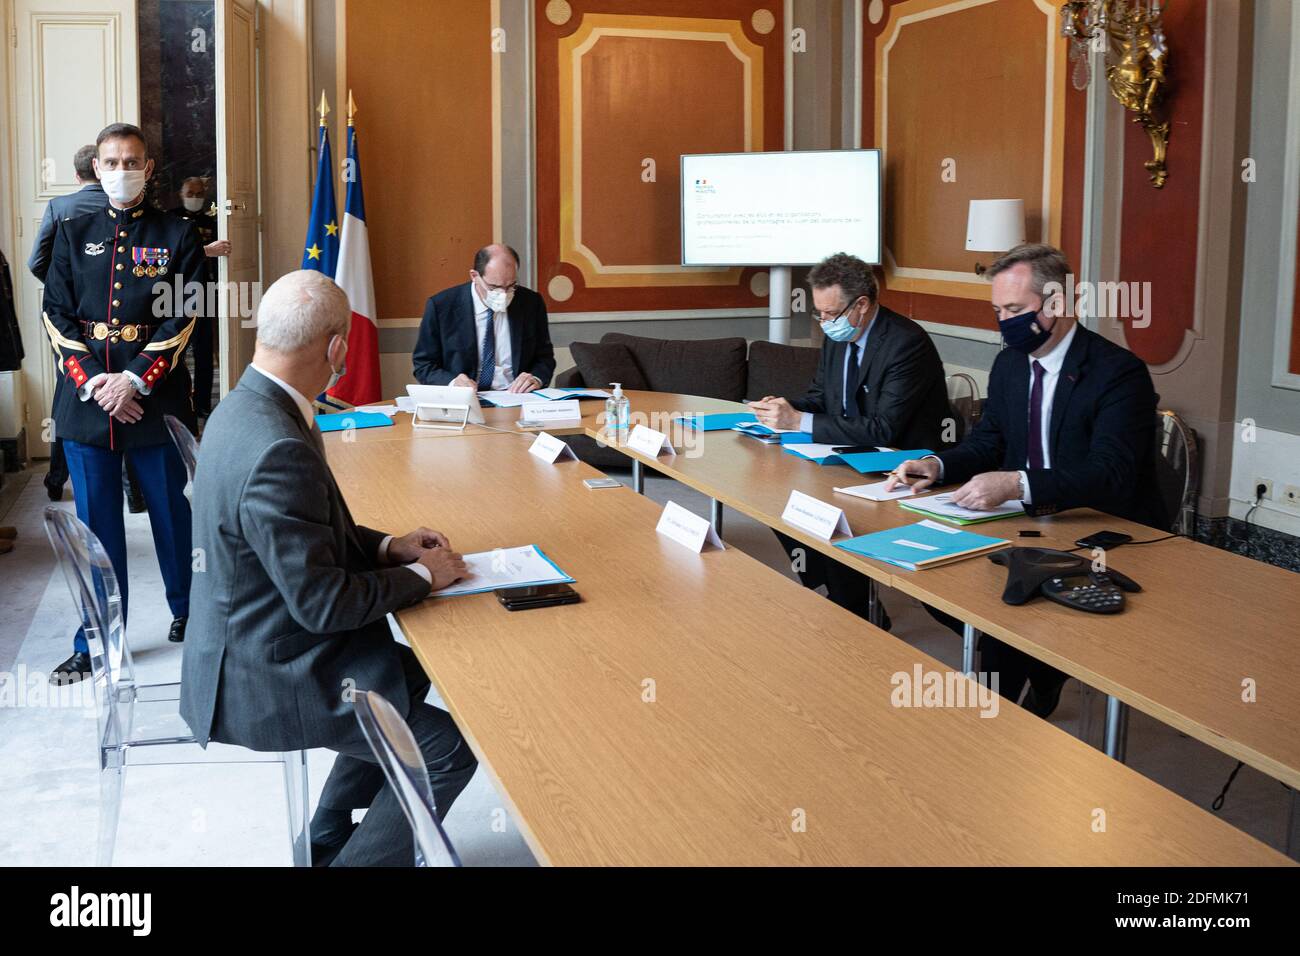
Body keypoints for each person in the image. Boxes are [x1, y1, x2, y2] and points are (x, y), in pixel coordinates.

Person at [179, 270, 477, 867]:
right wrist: (426, 577)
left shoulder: (243, 406)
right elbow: (324, 605)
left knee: (404, 676)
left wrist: (392, 547)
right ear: (337, 348)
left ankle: (326, 844)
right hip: (266, 672)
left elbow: (309, 538)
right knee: (447, 752)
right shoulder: (276, 445)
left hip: (248, 642)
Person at [886, 242, 1165, 717]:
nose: (1003, 321)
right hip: (1025, 526)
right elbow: (990, 441)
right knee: (929, 583)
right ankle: (1041, 669)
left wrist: (1018, 484)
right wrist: (940, 465)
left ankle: (1009, 725)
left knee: (1002, 632)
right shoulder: (1010, 363)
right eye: (997, 310)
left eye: (1015, 309)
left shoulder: (1119, 374)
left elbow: (1111, 473)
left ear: (1057, 304)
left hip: (1103, 530)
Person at [41, 123, 203, 683]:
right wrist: (94, 384)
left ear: (149, 168)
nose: (122, 170)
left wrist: (132, 382)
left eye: (132, 161)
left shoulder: (180, 233)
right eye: (112, 162)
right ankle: (96, 639)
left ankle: (193, 613)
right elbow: (55, 313)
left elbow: (183, 316)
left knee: (172, 513)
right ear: (97, 167)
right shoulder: (71, 228)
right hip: (86, 403)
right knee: (95, 526)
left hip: (154, 400)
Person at [748, 252, 953, 625]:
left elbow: (883, 428)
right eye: (819, 314)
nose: (824, 323)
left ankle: (855, 611)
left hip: (901, 464)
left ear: (861, 305)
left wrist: (799, 420)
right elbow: (821, 399)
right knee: (777, 497)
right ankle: (835, 593)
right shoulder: (839, 336)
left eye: (830, 314)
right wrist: (783, 407)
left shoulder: (906, 343)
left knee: (831, 512)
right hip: (849, 453)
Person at [28, 144, 106, 502]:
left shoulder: (60, 207)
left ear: (78, 175)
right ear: (99, 169)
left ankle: (57, 479)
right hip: (119, 319)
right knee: (125, 398)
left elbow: (36, 262)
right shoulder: (122, 207)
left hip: (70, 319)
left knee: (69, 393)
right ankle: (132, 490)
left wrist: (64, 288)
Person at [413, 243, 556, 392]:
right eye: (494, 287)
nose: (503, 294)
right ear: (474, 276)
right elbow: (424, 365)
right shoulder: (441, 306)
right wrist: (453, 383)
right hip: (465, 399)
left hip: (516, 396)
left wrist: (536, 378)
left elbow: (544, 358)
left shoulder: (531, 302)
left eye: (511, 286)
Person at [169, 176, 230, 417]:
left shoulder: (212, 221)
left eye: (198, 193)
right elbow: (169, 253)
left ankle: (203, 404)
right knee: (176, 349)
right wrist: (206, 251)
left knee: (204, 350)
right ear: (180, 194)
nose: (194, 197)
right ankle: (180, 402)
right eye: (189, 193)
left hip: (205, 290)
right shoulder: (169, 219)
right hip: (174, 292)